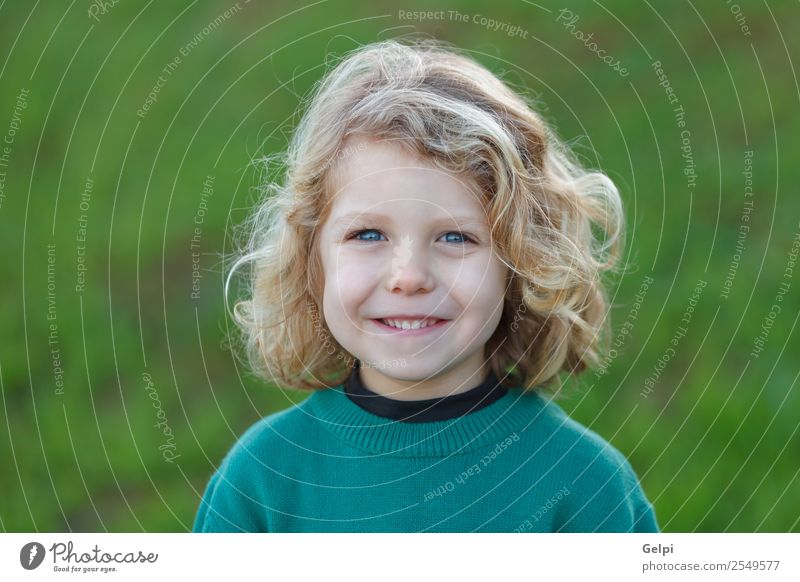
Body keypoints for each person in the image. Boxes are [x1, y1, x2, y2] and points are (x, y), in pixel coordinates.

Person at [192, 38, 659, 532]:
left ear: (521, 263)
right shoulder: (262, 481)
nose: (409, 276)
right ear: (313, 262)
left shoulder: (585, 485)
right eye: (368, 234)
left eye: (456, 237)